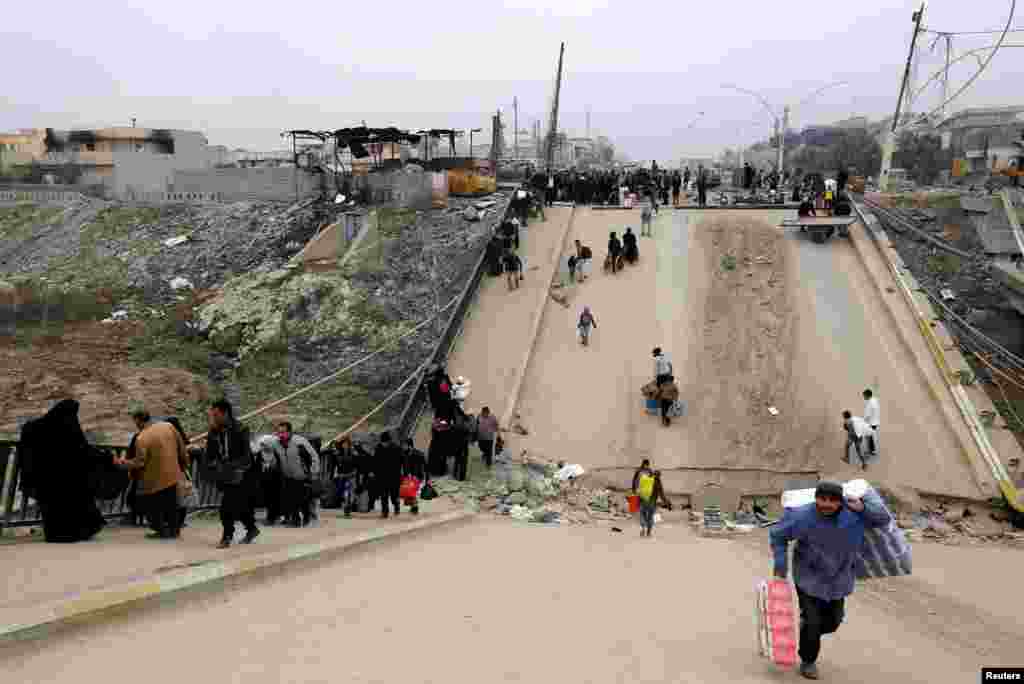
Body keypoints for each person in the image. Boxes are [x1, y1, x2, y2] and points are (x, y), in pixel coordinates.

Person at [769, 481, 892, 679]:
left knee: (833, 622)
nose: (826, 504)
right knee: (813, 621)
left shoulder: (854, 515)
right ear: (815, 497)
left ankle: (809, 629)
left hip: (838, 578)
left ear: (840, 501)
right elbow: (777, 535)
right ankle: (808, 660)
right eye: (822, 499)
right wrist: (781, 563)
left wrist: (864, 508)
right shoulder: (801, 517)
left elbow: (883, 519)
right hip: (808, 575)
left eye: (832, 500)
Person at [15, 399, 108, 543]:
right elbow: (83, 450)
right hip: (66, 478)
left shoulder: (32, 427)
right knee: (72, 503)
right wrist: (106, 457)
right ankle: (73, 533)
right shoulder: (69, 427)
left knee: (50, 507)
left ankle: (54, 535)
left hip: (42, 478)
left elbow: (24, 452)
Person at [114, 408, 189, 539]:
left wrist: (123, 463)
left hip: (153, 481)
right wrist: (183, 465)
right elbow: (181, 447)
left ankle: (161, 531)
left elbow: (140, 462)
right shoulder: (168, 426)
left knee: (151, 508)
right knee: (172, 505)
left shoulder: (141, 438)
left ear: (138, 421)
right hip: (173, 475)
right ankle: (174, 531)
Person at [205, 399, 259, 548]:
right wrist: (212, 465)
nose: (214, 418)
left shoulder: (241, 429)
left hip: (242, 475)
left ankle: (227, 536)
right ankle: (252, 529)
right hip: (225, 476)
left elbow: (246, 456)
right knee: (240, 507)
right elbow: (209, 454)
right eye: (212, 415)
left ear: (225, 413)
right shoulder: (213, 432)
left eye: (216, 415)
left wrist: (231, 466)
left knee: (226, 507)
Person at [276, 422, 319, 527]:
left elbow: (313, 456)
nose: (280, 434)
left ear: (289, 432)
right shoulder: (277, 443)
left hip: (301, 475)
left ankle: (306, 517)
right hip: (287, 475)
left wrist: (313, 472)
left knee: (302, 499)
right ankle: (295, 520)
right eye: (279, 432)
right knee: (290, 498)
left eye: (283, 432)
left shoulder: (300, 442)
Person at [373, 431, 405, 518]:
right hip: (382, 476)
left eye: (385, 442)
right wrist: (375, 472)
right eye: (383, 442)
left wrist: (405, 473)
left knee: (394, 495)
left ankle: (396, 506)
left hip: (394, 476)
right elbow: (375, 462)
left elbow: (403, 461)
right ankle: (385, 512)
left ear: (389, 441)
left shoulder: (397, 448)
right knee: (383, 495)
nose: (384, 444)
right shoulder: (378, 448)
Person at [402, 438, 427, 514]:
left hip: (416, 476)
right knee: (409, 492)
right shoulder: (404, 453)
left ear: (409, 445)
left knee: (412, 492)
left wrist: (426, 477)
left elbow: (424, 465)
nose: (403, 446)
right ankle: (413, 507)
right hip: (408, 477)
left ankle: (415, 507)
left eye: (404, 445)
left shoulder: (418, 453)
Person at [636, 467, 657, 536]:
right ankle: (649, 532)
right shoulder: (654, 480)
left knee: (642, 514)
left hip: (643, 500)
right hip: (651, 501)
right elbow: (657, 492)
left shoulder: (642, 479)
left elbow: (638, 490)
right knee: (651, 516)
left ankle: (643, 528)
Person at [862, 389, 880, 457]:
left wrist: (863, 421)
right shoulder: (874, 400)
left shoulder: (870, 403)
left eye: (864, 396)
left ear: (867, 395)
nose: (864, 397)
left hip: (871, 422)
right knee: (870, 436)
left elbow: (867, 415)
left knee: (868, 437)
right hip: (875, 421)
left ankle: (870, 451)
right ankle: (872, 450)